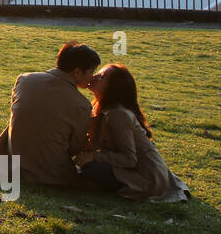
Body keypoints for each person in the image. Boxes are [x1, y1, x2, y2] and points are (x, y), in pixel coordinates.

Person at [0, 41, 101, 188]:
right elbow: (75, 148)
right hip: (52, 175)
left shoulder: (25, 80)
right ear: (77, 72)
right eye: (91, 72)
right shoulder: (81, 104)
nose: (92, 78)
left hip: (14, 164)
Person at [74, 64, 191, 202]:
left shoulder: (120, 115)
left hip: (145, 176)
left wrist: (94, 156)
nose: (94, 77)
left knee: (91, 169)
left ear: (113, 87)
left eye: (102, 77)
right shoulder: (98, 107)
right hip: (127, 168)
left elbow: (129, 159)